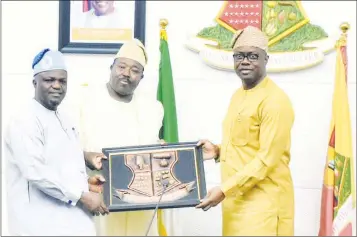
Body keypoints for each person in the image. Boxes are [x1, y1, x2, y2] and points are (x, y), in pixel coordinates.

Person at [196, 26, 295, 236]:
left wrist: (224, 190)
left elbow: (266, 159)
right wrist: (217, 150)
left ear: (265, 59)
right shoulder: (238, 96)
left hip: (264, 206)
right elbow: (246, 144)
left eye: (253, 56)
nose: (245, 61)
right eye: (239, 56)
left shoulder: (275, 101)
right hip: (236, 204)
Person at [4, 49, 109, 236]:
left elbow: (59, 163)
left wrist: (85, 181)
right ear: (34, 82)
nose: (57, 86)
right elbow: (36, 172)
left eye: (62, 81)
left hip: (68, 223)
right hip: (39, 225)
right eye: (49, 80)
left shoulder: (64, 119)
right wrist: (83, 195)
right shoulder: (25, 119)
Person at [77, 39, 175, 236]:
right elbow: (69, 150)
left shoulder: (153, 108)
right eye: (121, 66)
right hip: (100, 197)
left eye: (135, 70)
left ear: (141, 76)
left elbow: (152, 148)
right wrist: (86, 156)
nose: (127, 74)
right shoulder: (86, 100)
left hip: (142, 202)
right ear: (111, 67)